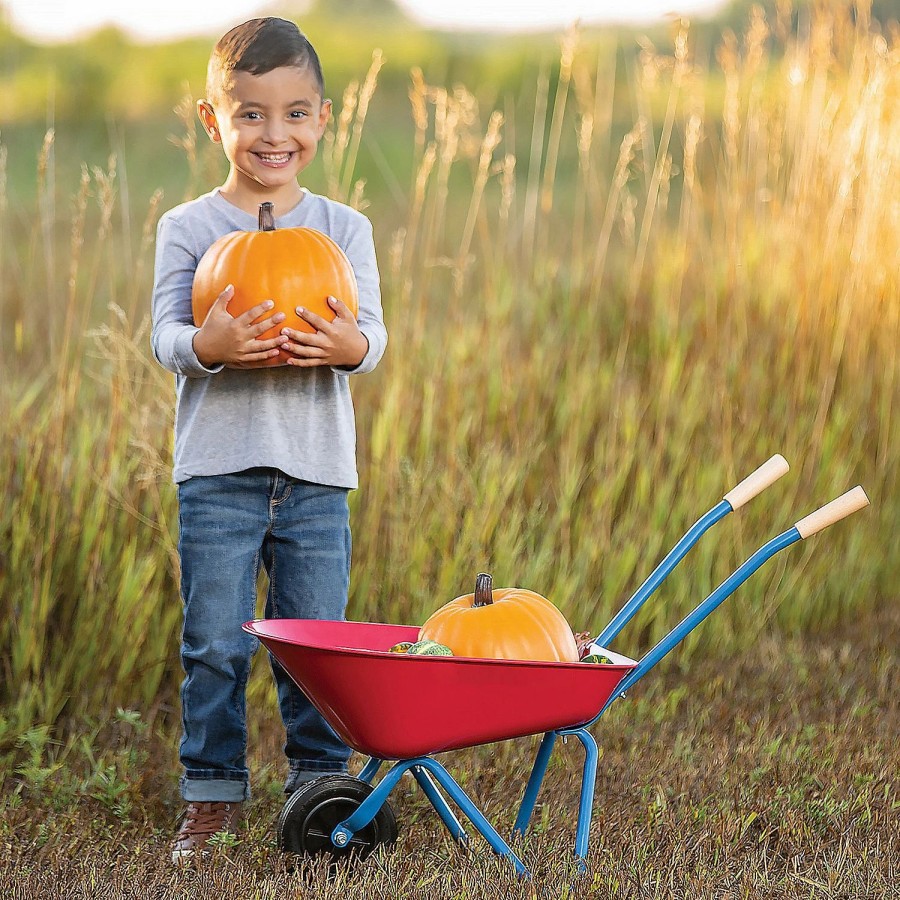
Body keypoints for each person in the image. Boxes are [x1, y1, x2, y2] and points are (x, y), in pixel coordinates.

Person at [150, 17, 388, 864]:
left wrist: (347, 347)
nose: (272, 133)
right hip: (216, 473)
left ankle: (319, 788)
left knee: (315, 643)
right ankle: (209, 799)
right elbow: (165, 337)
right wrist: (207, 348)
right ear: (213, 121)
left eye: (292, 114)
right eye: (250, 114)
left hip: (317, 473)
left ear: (322, 118)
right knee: (214, 641)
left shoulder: (343, 227)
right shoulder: (188, 227)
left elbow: (374, 339)